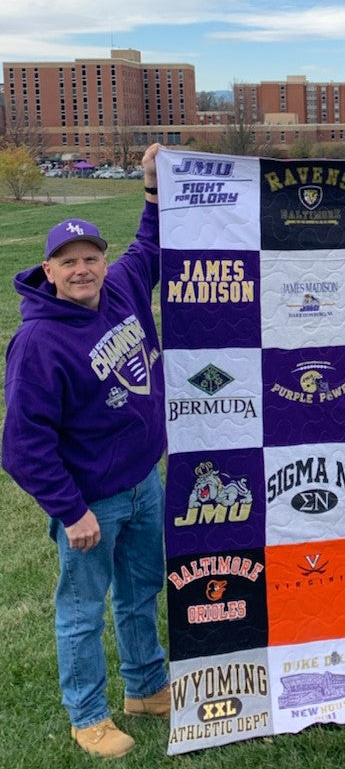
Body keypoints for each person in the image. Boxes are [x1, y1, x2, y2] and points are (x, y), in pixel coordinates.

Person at [3, 143, 170, 758]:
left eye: (91, 257)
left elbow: (149, 248)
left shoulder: (121, 287)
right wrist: (72, 513)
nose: (82, 269)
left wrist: (151, 188)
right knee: (81, 609)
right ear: (48, 270)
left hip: (142, 481)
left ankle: (146, 687)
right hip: (91, 499)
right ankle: (87, 714)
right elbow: (23, 445)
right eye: (67, 261)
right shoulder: (38, 343)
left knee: (140, 590)